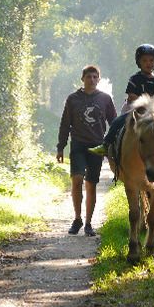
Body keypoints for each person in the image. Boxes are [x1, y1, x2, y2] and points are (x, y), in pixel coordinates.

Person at [57, 65, 117, 236]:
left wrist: (113, 147)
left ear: (99, 79)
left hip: (97, 147)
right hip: (78, 144)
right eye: (89, 76)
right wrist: (60, 147)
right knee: (77, 180)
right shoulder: (72, 99)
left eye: (95, 77)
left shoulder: (105, 99)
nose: (92, 80)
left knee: (91, 184)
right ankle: (77, 219)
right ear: (82, 79)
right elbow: (65, 124)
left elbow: (114, 123)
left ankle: (89, 223)